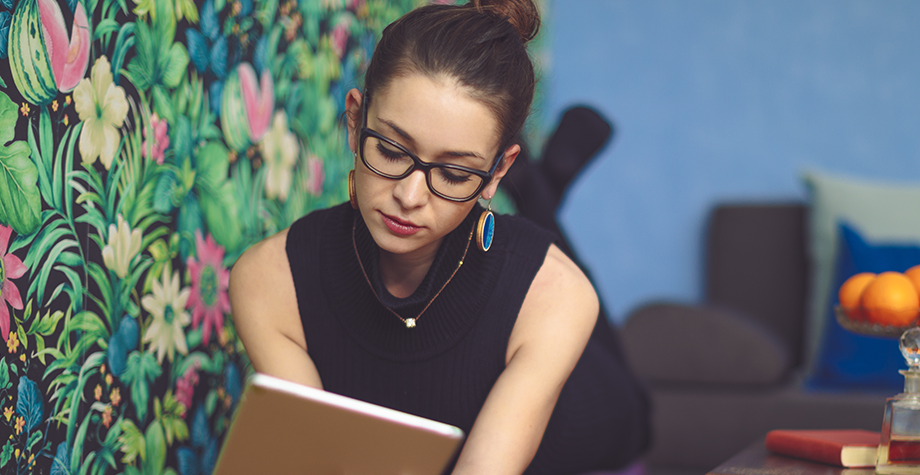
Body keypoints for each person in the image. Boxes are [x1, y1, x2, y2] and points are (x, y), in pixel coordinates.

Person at [229, 1, 651, 474]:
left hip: (590, 431)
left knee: (592, 333)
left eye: (452, 172)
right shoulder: (269, 281)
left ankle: (539, 195)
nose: (409, 196)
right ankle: (538, 190)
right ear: (354, 121)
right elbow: (322, 465)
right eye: (390, 149)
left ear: (495, 174)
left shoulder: (556, 295)